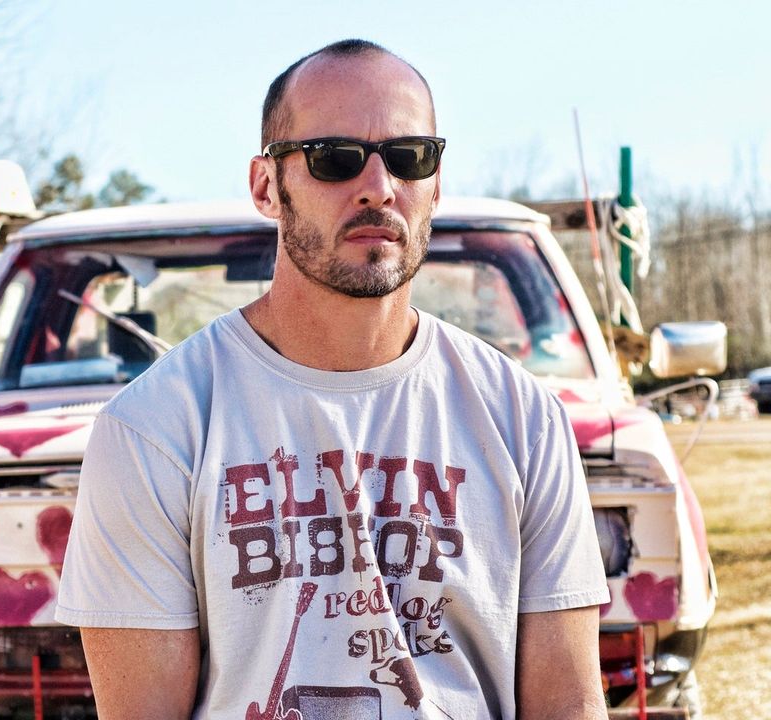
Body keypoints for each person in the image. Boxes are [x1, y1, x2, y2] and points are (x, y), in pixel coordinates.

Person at [55, 39, 609, 720]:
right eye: (335, 158)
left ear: (436, 183)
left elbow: (568, 702)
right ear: (266, 186)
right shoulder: (155, 428)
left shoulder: (522, 418)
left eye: (409, 157)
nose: (378, 186)